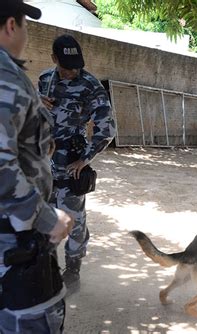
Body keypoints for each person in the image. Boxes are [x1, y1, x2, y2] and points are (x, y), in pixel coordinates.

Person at [0, 1, 74, 332]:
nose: (27, 34)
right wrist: (44, 217)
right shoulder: (6, 79)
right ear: (10, 26)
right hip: (14, 241)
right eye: (26, 25)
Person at [38, 34, 116, 289]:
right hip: (43, 163)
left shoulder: (91, 86)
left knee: (73, 218)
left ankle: (73, 271)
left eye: (76, 66)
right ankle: (44, 266)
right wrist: (36, 105)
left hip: (71, 162)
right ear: (54, 59)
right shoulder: (44, 80)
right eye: (66, 66)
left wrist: (85, 159)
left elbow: (106, 129)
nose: (73, 71)